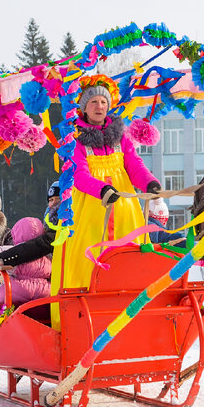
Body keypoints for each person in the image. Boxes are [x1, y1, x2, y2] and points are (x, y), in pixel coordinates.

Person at [51, 80, 161, 295]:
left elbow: (134, 165)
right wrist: (101, 189)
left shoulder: (121, 136)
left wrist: (149, 183)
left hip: (124, 209)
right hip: (91, 208)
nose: (99, 106)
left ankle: (132, 296)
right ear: (84, 107)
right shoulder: (76, 139)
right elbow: (78, 174)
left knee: (130, 250)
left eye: (103, 101)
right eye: (93, 101)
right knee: (91, 254)